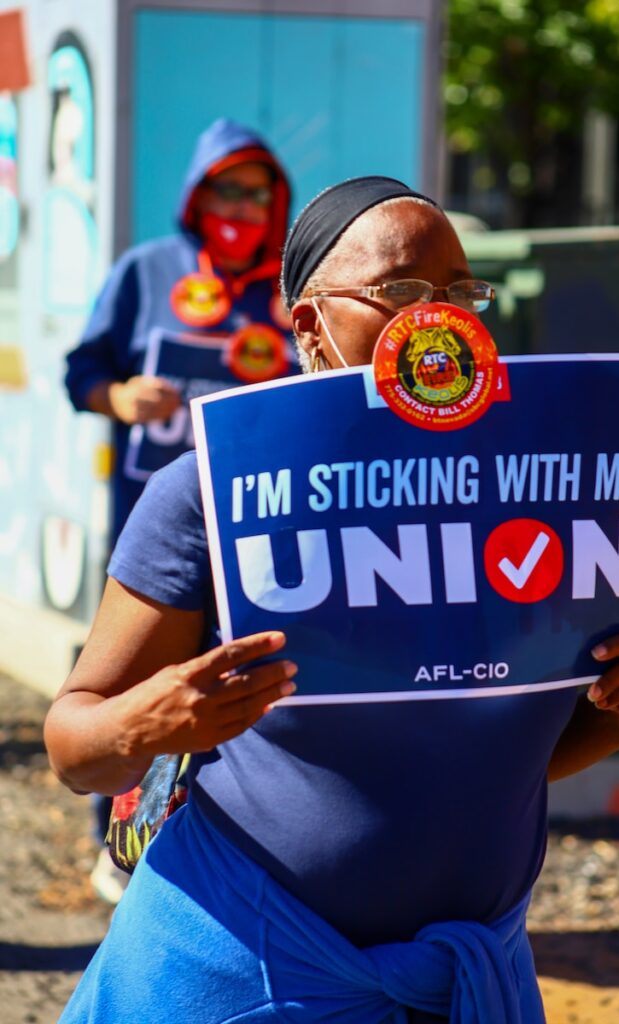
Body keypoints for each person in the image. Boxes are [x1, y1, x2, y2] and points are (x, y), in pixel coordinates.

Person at [46, 177, 619, 1023]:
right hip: (240, 973)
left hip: (463, 981)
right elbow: (73, 746)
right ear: (309, 322)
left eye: (463, 292)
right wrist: (146, 723)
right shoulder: (212, 489)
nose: (442, 317)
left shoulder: (541, 494)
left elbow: (487, 766)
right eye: (402, 293)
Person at [64, 118, 297, 903]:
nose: (241, 205)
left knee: (249, 684)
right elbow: (81, 372)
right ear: (197, 198)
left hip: (269, 534)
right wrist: (119, 397)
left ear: (277, 202)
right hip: (154, 531)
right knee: (134, 683)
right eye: (226, 189)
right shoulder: (146, 270)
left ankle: (232, 851)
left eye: (256, 192)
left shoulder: (291, 289)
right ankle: (119, 844)